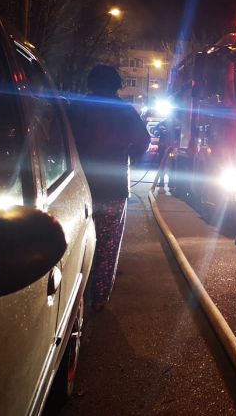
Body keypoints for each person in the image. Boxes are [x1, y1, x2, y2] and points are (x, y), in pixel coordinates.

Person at [67, 65, 151, 311]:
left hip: (78, 187)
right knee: (107, 246)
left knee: (76, 245)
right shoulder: (125, 111)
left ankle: (75, 299)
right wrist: (131, 154)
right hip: (113, 189)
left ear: (90, 83)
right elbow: (143, 141)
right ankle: (99, 298)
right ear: (117, 85)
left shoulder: (76, 108)